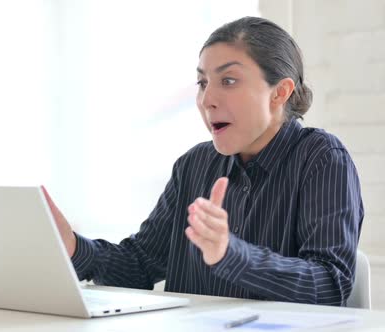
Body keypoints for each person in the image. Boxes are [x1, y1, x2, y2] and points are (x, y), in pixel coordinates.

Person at [42, 16, 364, 306]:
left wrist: (230, 253)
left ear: (279, 93)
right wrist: (72, 247)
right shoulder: (193, 165)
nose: (207, 100)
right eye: (202, 83)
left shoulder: (322, 159)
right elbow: (139, 265)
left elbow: (330, 285)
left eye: (228, 81)